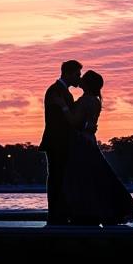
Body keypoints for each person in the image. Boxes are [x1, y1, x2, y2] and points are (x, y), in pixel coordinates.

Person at [57, 70, 133, 225]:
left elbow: (74, 121)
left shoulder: (86, 100)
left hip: (81, 143)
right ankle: (98, 211)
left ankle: (84, 213)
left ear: (88, 83)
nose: (80, 79)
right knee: (96, 178)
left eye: (83, 78)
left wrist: (63, 107)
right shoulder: (95, 100)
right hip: (89, 141)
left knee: (82, 179)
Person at [39, 60, 82, 225]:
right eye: (77, 75)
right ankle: (56, 214)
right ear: (68, 74)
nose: (79, 78)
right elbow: (59, 121)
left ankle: (60, 213)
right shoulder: (55, 91)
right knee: (57, 177)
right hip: (57, 142)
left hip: (60, 142)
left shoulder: (61, 92)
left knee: (60, 177)